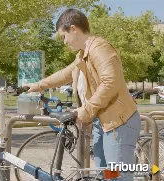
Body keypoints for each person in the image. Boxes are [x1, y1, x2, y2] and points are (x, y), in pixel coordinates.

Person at [24, 9, 141, 181]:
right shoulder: (83, 54)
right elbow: (66, 74)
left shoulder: (99, 48)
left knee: (118, 177)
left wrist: (85, 111)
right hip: (104, 122)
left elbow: (110, 83)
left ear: (74, 29)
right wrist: (38, 85)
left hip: (119, 123)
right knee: (104, 174)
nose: (64, 42)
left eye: (64, 36)